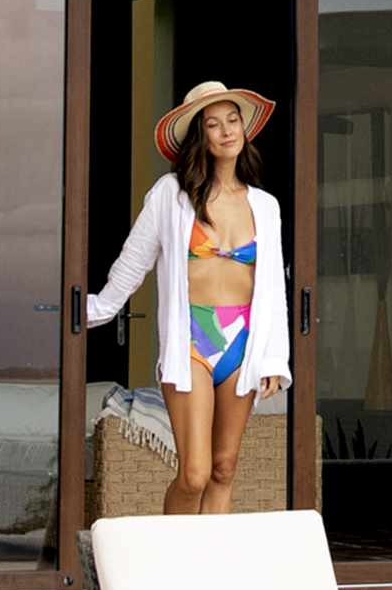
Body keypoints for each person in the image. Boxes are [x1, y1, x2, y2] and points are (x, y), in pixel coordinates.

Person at [79, 83, 289, 516]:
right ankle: (171, 560)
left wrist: (274, 358)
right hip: (192, 340)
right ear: (201, 136)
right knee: (193, 473)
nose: (227, 131)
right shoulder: (170, 195)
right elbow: (134, 261)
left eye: (233, 121)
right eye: (214, 124)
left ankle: (209, 574)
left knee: (224, 468)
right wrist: (95, 310)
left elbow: (274, 289)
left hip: (243, 341)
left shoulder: (265, 206)